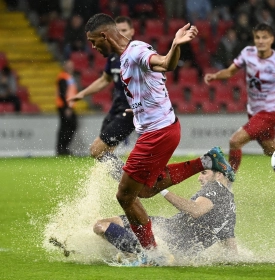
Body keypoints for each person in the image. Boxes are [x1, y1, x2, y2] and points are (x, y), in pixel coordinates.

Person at [84, 13, 235, 264]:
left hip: (157, 134)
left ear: (103, 35)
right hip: (162, 129)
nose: (92, 47)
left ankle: (152, 254)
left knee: (125, 196)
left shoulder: (134, 52)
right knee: (143, 191)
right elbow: (151, 84)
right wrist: (140, 108)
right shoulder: (127, 55)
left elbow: (165, 64)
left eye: (92, 41)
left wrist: (175, 45)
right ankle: (207, 161)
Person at [204, 23, 275, 190]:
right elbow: (230, 71)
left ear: (271, 39)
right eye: (257, 37)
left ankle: (227, 184)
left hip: (269, 114)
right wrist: (215, 76)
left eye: (265, 37)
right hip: (254, 113)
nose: (261, 41)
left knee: (235, 142)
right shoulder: (247, 53)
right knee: (271, 150)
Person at [93, 168, 237, 264]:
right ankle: (136, 252)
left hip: (168, 233)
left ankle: (147, 254)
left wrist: (161, 189)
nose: (199, 178)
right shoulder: (230, 208)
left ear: (219, 175)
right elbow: (231, 250)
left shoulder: (216, 187)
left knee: (100, 226)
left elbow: (195, 210)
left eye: (204, 173)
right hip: (174, 241)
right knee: (106, 225)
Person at [68, 16, 135, 181]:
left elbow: (157, 76)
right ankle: (126, 184)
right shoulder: (113, 57)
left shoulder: (137, 53)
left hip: (131, 109)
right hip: (117, 106)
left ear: (132, 31)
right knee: (105, 152)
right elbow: (105, 79)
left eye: (125, 30)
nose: (120, 34)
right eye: (118, 31)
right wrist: (83, 93)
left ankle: (130, 183)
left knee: (97, 150)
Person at [56, 60, 78, 156]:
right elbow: (63, 93)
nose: (71, 67)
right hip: (64, 106)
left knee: (68, 127)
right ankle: (62, 148)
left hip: (68, 106)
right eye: (68, 66)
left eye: (71, 65)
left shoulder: (69, 77)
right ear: (64, 66)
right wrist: (67, 107)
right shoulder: (63, 77)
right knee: (66, 127)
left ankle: (63, 148)